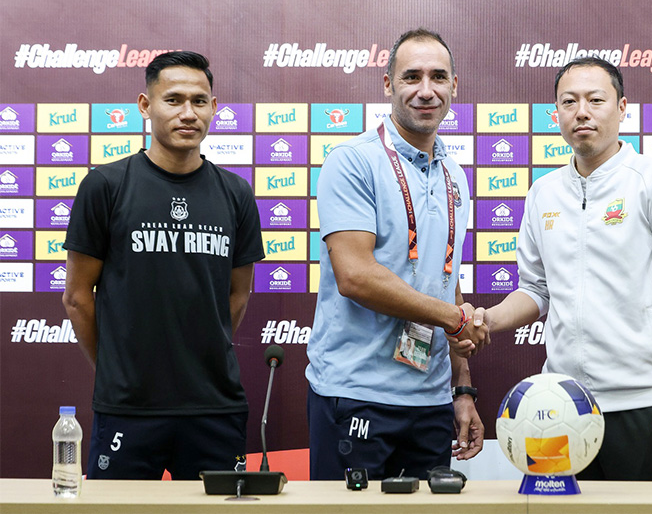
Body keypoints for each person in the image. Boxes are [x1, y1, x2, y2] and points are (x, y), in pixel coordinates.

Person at [459, 57, 652, 480]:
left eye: (596, 99)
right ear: (556, 114)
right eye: (569, 102)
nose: (582, 112)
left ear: (623, 107)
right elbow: (536, 290)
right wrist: (487, 320)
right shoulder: (543, 193)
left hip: (643, 406)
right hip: (559, 406)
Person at [62, 51, 265, 480]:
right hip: (128, 408)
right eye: (173, 100)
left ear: (214, 107)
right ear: (145, 105)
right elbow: (78, 298)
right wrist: (119, 368)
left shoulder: (236, 193)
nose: (188, 113)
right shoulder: (105, 186)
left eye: (199, 100)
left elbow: (238, 293)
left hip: (215, 406)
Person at [306, 28, 486, 481]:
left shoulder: (454, 175)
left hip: (429, 402)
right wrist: (453, 317)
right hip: (356, 394)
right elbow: (356, 276)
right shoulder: (352, 161)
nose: (426, 91)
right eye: (411, 77)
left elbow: (447, 280)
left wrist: (462, 388)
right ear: (388, 85)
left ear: (454, 86)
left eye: (438, 77)